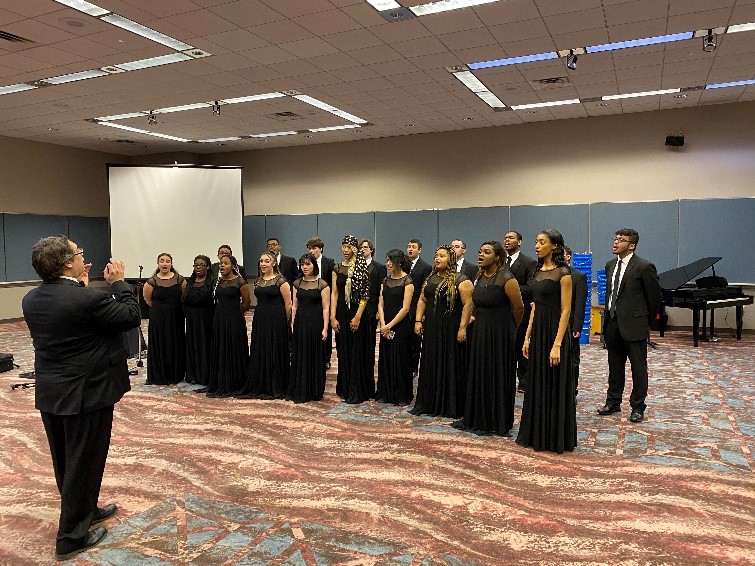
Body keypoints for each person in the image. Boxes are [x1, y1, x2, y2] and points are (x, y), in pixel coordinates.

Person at [22, 236, 140, 561]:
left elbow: (73, 319)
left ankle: (85, 510)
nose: (82, 257)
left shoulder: (31, 299)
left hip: (52, 391)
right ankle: (71, 538)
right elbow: (130, 315)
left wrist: (79, 286)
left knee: (67, 461)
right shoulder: (87, 299)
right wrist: (118, 283)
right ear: (66, 263)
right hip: (88, 393)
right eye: (79, 253)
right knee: (84, 461)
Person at [516, 229, 576, 453]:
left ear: (554, 246)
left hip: (555, 333)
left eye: (542, 242)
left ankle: (553, 437)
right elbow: (535, 307)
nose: (537, 246)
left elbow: (566, 310)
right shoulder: (536, 271)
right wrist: (527, 336)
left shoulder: (564, 273)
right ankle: (536, 433)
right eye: (536, 242)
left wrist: (557, 344)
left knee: (554, 383)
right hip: (538, 331)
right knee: (537, 382)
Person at [453, 241, 523, 436]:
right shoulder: (479, 275)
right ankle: (477, 417)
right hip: (480, 333)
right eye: (480, 251)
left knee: (497, 375)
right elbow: (475, 304)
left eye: (486, 252)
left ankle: (496, 421)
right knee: (480, 373)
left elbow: (518, 308)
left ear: (497, 256)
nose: (481, 255)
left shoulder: (507, 278)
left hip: (500, 335)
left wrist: (509, 330)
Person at [598, 228, 662, 423]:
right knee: (615, 366)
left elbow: (654, 299)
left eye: (621, 240)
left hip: (635, 325)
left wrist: (646, 324)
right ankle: (613, 401)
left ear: (632, 245)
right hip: (612, 323)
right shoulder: (610, 265)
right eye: (615, 238)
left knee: (638, 368)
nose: (616, 242)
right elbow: (611, 295)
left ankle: (637, 406)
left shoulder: (644, 267)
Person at [410, 245, 473, 418]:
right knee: (431, 362)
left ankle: (450, 405)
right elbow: (422, 300)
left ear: (451, 259)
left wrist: (462, 328)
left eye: (442, 256)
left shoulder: (461, 280)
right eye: (436, 255)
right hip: (432, 328)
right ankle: (430, 402)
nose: (437, 258)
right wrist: (418, 320)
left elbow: (468, 305)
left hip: (451, 329)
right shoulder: (431, 278)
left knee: (450, 364)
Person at [237, 250, 291, 399]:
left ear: (274, 263)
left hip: (276, 319)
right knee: (261, 348)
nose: (263, 264)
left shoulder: (281, 281)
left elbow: (288, 304)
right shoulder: (257, 281)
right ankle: (260, 383)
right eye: (261, 261)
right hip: (260, 318)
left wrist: (285, 322)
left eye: (267, 261)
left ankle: (275, 383)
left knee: (274, 349)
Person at [331, 235, 374, 404]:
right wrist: (332, 316)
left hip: (358, 314)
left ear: (355, 249)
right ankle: (345, 387)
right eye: (344, 246)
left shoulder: (362, 268)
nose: (346, 250)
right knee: (343, 350)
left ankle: (357, 388)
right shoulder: (337, 268)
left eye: (349, 247)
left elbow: (365, 295)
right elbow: (335, 294)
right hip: (341, 313)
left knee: (357, 350)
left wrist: (357, 317)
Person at [206, 254, 250, 398]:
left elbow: (246, 302)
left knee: (233, 347)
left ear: (233, 266)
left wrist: (236, 314)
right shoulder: (218, 281)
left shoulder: (240, 282)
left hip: (234, 319)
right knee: (221, 347)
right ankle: (221, 381)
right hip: (219, 319)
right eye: (221, 263)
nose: (222, 266)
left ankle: (235, 382)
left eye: (226, 263)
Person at [288, 253, 330, 402]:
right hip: (300, 322)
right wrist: (292, 324)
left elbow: (326, 308)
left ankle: (314, 389)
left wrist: (325, 328)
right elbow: (294, 306)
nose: (304, 267)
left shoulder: (322, 284)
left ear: (314, 265)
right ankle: (300, 387)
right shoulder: (297, 283)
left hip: (316, 323)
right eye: (302, 264)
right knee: (300, 353)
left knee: (314, 354)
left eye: (308, 264)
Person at [375, 249, 414, 405]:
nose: (388, 264)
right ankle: (386, 393)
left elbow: (405, 308)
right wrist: (383, 324)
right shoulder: (385, 281)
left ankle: (402, 395)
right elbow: (380, 304)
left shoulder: (408, 282)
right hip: (386, 324)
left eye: (391, 261)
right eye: (387, 260)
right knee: (386, 358)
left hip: (401, 326)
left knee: (401, 359)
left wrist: (389, 326)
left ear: (399, 262)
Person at [143, 253, 186, 385]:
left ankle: (176, 374)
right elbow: (148, 300)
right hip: (158, 318)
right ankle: (160, 374)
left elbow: (184, 297)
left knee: (175, 342)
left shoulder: (180, 280)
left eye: (167, 261)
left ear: (171, 264)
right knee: (160, 343)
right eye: (162, 261)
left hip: (176, 317)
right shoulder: (151, 282)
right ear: (158, 263)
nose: (165, 263)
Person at [504, 231, 537, 392]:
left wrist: (510, 288)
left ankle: (524, 380)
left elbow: (530, 287)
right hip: (502, 311)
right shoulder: (499, 261)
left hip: (521, 311)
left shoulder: (528, 262)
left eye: (511, 238)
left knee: (521, 346)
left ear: (519, 242)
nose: (507, 240)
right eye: (505, 238)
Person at [183, 255, 215, 386]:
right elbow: (184, 299)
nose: (198, 267)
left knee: (205, 345)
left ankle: (205, 375)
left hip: (206, 318)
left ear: (208, 267)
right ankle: (193, 374)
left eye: (202, 265)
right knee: (192, 344)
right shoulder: (190, 282)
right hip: (192, 319)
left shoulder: (212, 282)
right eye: (196, 265)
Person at [306, 236, 335, 368]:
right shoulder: (306, 262)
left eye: (314, 248)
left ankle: (326, 358)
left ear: (321, 249)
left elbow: (333, 284)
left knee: (325, 328)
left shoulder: (329, 262)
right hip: (311, 298)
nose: (311, 251)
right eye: (309, 248)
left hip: (325, 298)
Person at [564, 246, 588, 397]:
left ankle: (572, 390)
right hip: (551, 323)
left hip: (570, 324)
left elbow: (580, 304)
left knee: (572, 359)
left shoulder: (578, 277)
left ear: (568, 256)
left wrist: (577, 326)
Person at [407, 238, 432, 377]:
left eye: (413, 247)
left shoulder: (425, 267)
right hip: (403, 307)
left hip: (416, 308)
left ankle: (413, 367)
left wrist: (422, 314)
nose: (410, 249)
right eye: (409, 246)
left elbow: (424, 291)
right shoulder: (402, 264)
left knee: (415, 340)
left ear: (419, 250)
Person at [361, 239, 387, 373]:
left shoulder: (379, 267)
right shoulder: (355, 266)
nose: (363, 249)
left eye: (365, 247)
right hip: (357, 308)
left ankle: (369, 365)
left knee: (370, 339)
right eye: (361, 247)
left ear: (371, 250)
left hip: (371, 308)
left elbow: (382, 290)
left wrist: (379, 309)